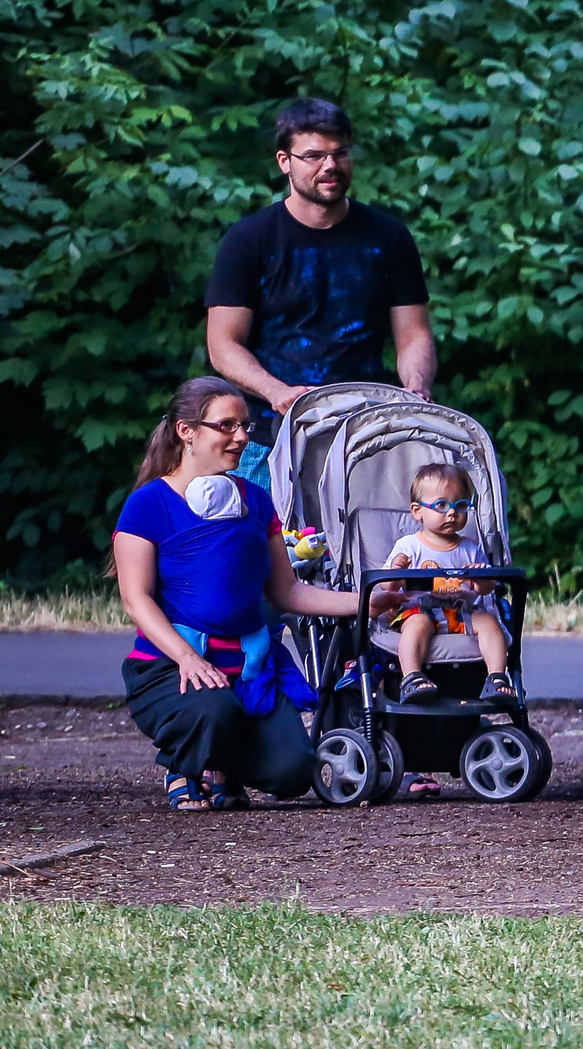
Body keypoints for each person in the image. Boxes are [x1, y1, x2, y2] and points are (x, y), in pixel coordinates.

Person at [111, 377, 362, 809]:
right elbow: (137, 599)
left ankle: (224, 766)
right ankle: (184, 766)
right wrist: (187, 657)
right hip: (173, 667)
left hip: (248, 669)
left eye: (244, 425)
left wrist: (367, 603)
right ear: (186, 431)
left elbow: (288, 593)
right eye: (226, 426)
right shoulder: (148, 504)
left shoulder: (258, 501)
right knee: (214, 710)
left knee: (293, 772)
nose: (242, 436)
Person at [205, 98, 434, 489]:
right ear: (284, 161)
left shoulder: (388, 237)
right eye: (313, 156)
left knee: (370, 551)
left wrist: (415, 389)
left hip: (365, 436)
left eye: (339, 153)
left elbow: (413, 334)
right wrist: (278, 393)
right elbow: (222, 344)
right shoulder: (248, 240)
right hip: (265, 437)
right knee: (263, 548)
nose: (330, 166)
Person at [371, 463, 512, 707]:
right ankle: (412, 677)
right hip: (420, 609)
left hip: (460, 611)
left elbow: (484, 591)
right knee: (416, 625)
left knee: (490, 622)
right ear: (417, 511)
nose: (452, 513)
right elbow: (388, 587)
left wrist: (482, 579)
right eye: (441, 505)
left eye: (460, 505)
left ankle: (497, 677)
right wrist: (397, 570)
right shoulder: (408, 546)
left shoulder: (470, 548)